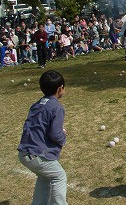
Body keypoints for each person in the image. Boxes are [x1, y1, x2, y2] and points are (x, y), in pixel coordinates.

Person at [18, 70, 68, 205]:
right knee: (59, 176)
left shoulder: (37, 104)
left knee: (44, 177)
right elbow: (55, 134)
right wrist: (63, 136)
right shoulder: (56, 107)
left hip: (25, 152)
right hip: (37, 154)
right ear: (60, 89)